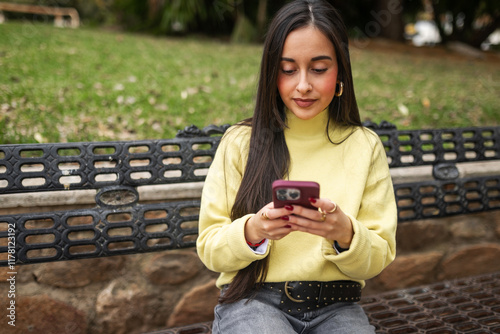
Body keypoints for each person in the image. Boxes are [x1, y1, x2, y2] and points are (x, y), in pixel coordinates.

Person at [196, 0, 397, 333]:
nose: (303, 84)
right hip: (254, 302)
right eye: (288, 69)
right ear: (272, 74)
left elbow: (379, 257)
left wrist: (345, 233)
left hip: (338, 306)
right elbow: (210, 248)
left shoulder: (365, 146)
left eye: (319, 69)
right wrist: (254, 230)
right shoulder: (240, 142)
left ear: (341, 72)